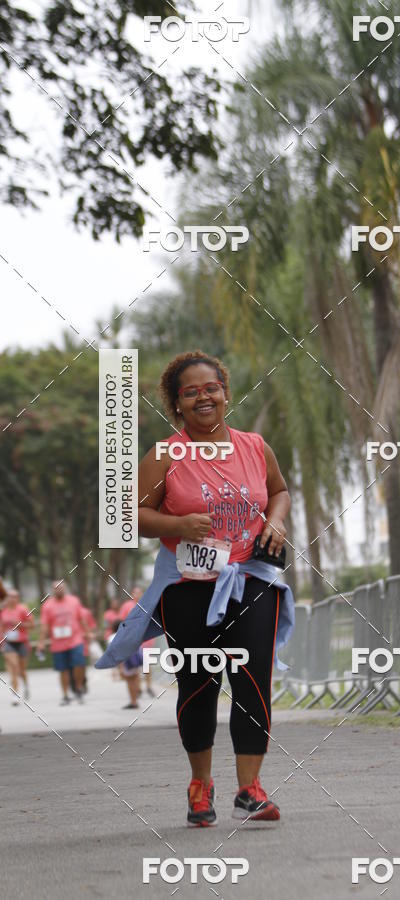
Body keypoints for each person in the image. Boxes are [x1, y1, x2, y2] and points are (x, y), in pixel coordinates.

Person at [96, 351, 295, 827]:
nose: (204, 397)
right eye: (191, 392)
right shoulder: (165, 455)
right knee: (199, 682)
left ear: (225, 392)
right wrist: (177, 524)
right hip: (188, 585)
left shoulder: (255, 447)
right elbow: (127, 517)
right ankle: (200, 784)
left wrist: (276, 520)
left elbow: (280, 491)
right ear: (177, 403)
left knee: (253, 679)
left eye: (211, 388)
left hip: (250, 578)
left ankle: (250, 789)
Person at [37, 581, 90, 705]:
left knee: (79, 664)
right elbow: (44, 626)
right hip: (58, 643)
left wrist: (87, 632)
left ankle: (78, 689)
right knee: (63, 670)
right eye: (56, 588)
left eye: (61, 587)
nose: (59, 590)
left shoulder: (74, 601)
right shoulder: (47, 606)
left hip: (75, 639)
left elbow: (81, 619)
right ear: (52, 590)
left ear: (65, 588)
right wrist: (41, 642)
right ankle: (65, 695)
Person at [0, 588, 34, 703]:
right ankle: (15, 693)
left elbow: (32, 625)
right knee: (14, 667)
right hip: (8, 643)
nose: (12, 599)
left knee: (21, 670)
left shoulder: (23, 609)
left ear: (18, 598)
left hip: (22, 642)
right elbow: (1, 627)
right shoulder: (3, 611)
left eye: (14, 596)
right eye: (10, 596)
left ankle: (25, 684)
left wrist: (20, 624)